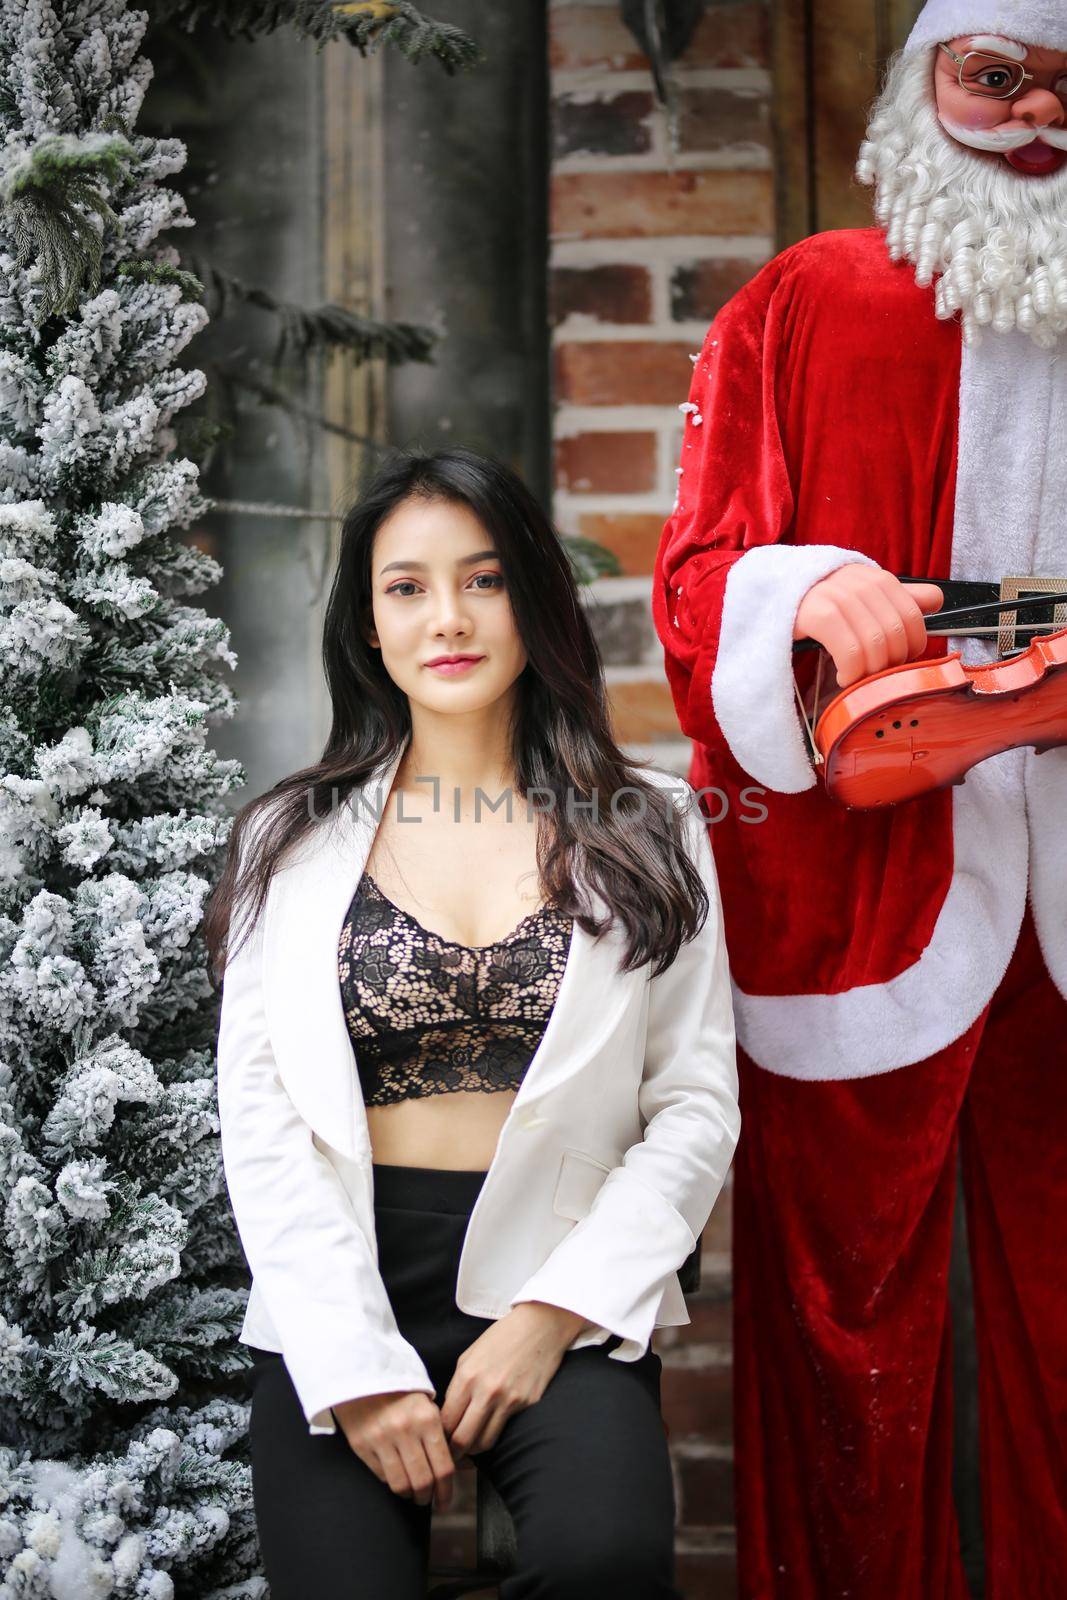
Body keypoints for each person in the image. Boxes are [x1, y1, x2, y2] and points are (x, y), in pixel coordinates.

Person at [652, 1, 1067, 1594]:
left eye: (1058, 90)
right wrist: (807, 594)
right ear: (917, 90)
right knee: (844, 1340)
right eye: (992, 80)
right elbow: (696, 577)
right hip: (861, 891)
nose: (1032, 118)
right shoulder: (804, 301)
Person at [205, 446, 739, 1599]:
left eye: (482, 579)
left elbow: (693, 1106)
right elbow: (259, 1117)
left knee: (601, 1561)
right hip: (344, 1281)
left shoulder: (647, 823)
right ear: (367, 625)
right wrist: (351, 1365)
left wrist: (551, 1315)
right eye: (406, 587)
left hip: (559, 1277)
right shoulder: (284, 842)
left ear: (531, 600)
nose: (445, 616)